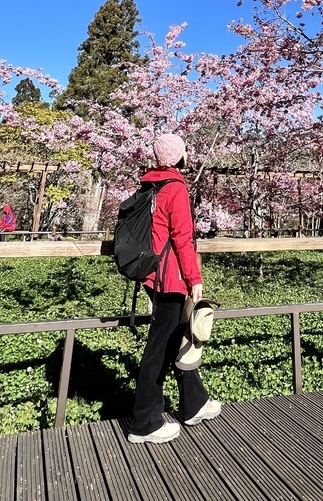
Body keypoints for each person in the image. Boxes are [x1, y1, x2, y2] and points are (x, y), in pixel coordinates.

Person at [127, 133, 221, 444]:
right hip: (170, 280)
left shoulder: (149, 183)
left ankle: (195, 403)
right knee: (159, 348)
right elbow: (183, 238)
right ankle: (145, 422)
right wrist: (194, 279)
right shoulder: (176, 188)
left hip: (152, 275)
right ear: (179, 156)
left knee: (180, 340)